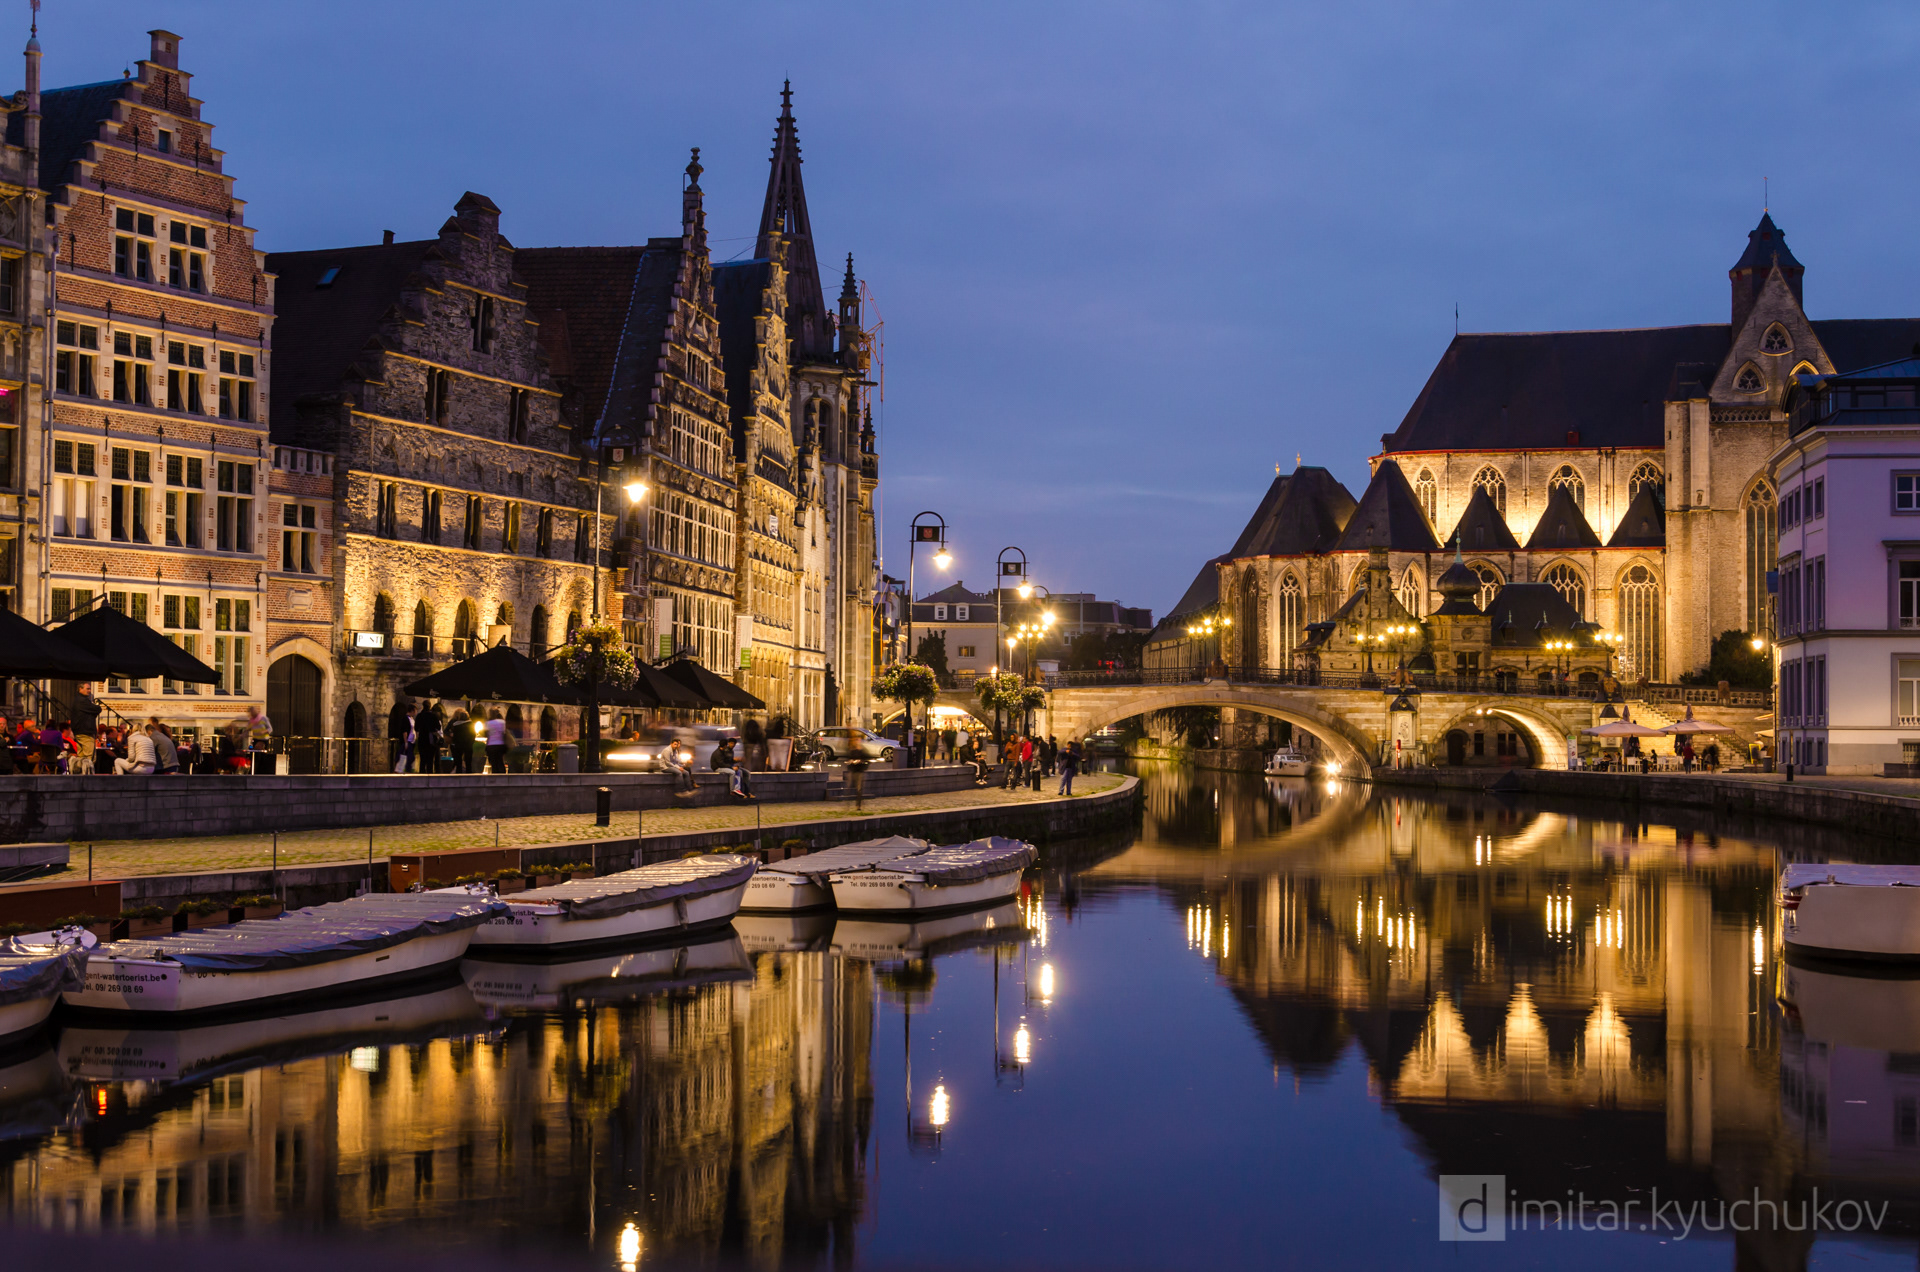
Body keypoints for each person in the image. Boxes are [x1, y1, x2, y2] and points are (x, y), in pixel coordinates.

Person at [69, 682, 101, 777]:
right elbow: (97, 709)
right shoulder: (82, 701)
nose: (89, 691)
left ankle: (79, 776)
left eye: (90, 689)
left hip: (80, 732)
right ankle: (87, 777)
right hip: (85, 732)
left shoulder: (79, 700)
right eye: (87, 689)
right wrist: (96, 708)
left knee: (81, 757)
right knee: (89, 758)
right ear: (80, 689)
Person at [419, 700, 445, 775]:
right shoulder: (433, 716)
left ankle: (421, 776)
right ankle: (430, 776)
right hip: (431, 740)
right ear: (430, 706)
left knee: (422, 760)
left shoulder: (419, 716)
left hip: (422, 739)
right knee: (430, 760)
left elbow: (416, 728)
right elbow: (438, 726)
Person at [392, 702, 417, 774]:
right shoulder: (406, 719)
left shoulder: (412, 719)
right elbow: (404, 731)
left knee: (408, 757)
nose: (416, 712)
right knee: (408, 757)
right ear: (412, 710)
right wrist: (405, 742)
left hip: (412, 741)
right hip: (408, 741)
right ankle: (404, 770)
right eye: (415, 710)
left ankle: (405, 770)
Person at [484, 708, 509, 774]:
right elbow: (503, 734)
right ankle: (503, 777)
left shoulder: (488, 723)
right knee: (500, 761)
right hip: (500, 745)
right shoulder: (502, 722)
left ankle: (494, 777)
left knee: (493, 763)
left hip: (491, 745)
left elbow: (486, 734)